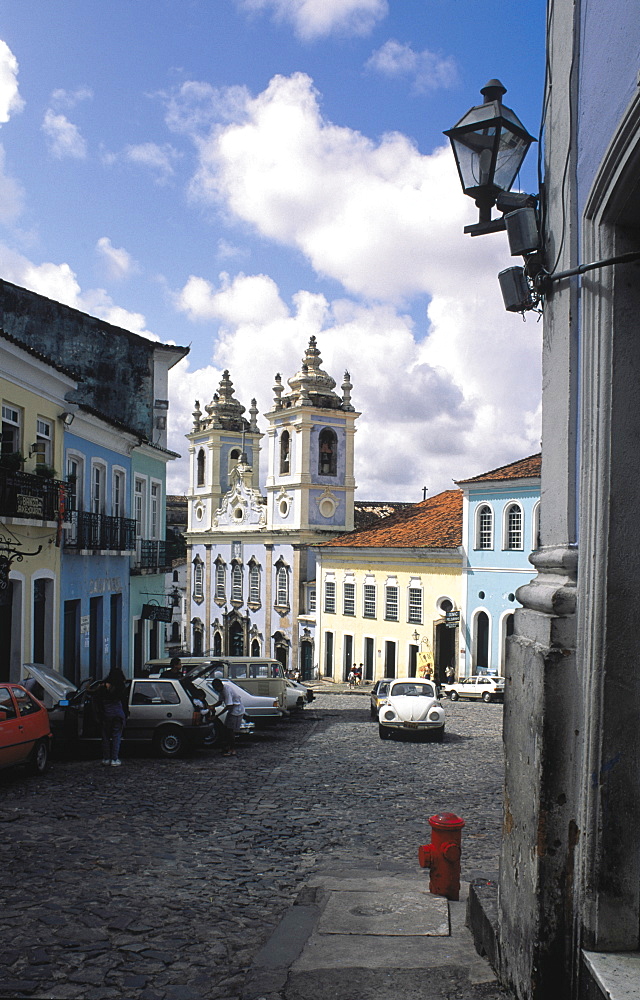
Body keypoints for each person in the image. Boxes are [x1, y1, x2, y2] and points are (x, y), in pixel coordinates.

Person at [94, 668, 128, 767]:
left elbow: (97, 700)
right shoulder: (121, 687)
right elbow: (124, 702)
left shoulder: (103, 686)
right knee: (116, 736)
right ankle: (114, 759)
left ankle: (106, 758)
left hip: (106, 714)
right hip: (118, 713)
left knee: (105, 737)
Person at [210, 677, 244, 757]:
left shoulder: (226, 691)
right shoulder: (221, 690)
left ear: (219, 686)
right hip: (232, 710)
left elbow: (229, 705)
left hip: (236, 711)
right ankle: (227, 747)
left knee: (230, 731)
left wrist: (217, 715)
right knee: (226, 729)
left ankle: (232, 749)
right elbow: (220, 701)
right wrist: (212, 706)